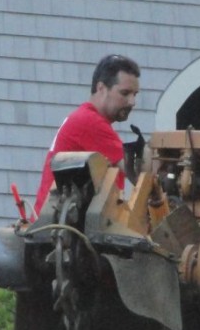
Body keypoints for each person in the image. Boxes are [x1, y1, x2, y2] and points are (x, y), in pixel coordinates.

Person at [33, 54, 141, 215]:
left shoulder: (84, 118)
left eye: (135, 94)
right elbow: (138, 174)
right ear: (101, 88)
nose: (132, 102)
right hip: (58, 231)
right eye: (125, 93)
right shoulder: (89, 122)